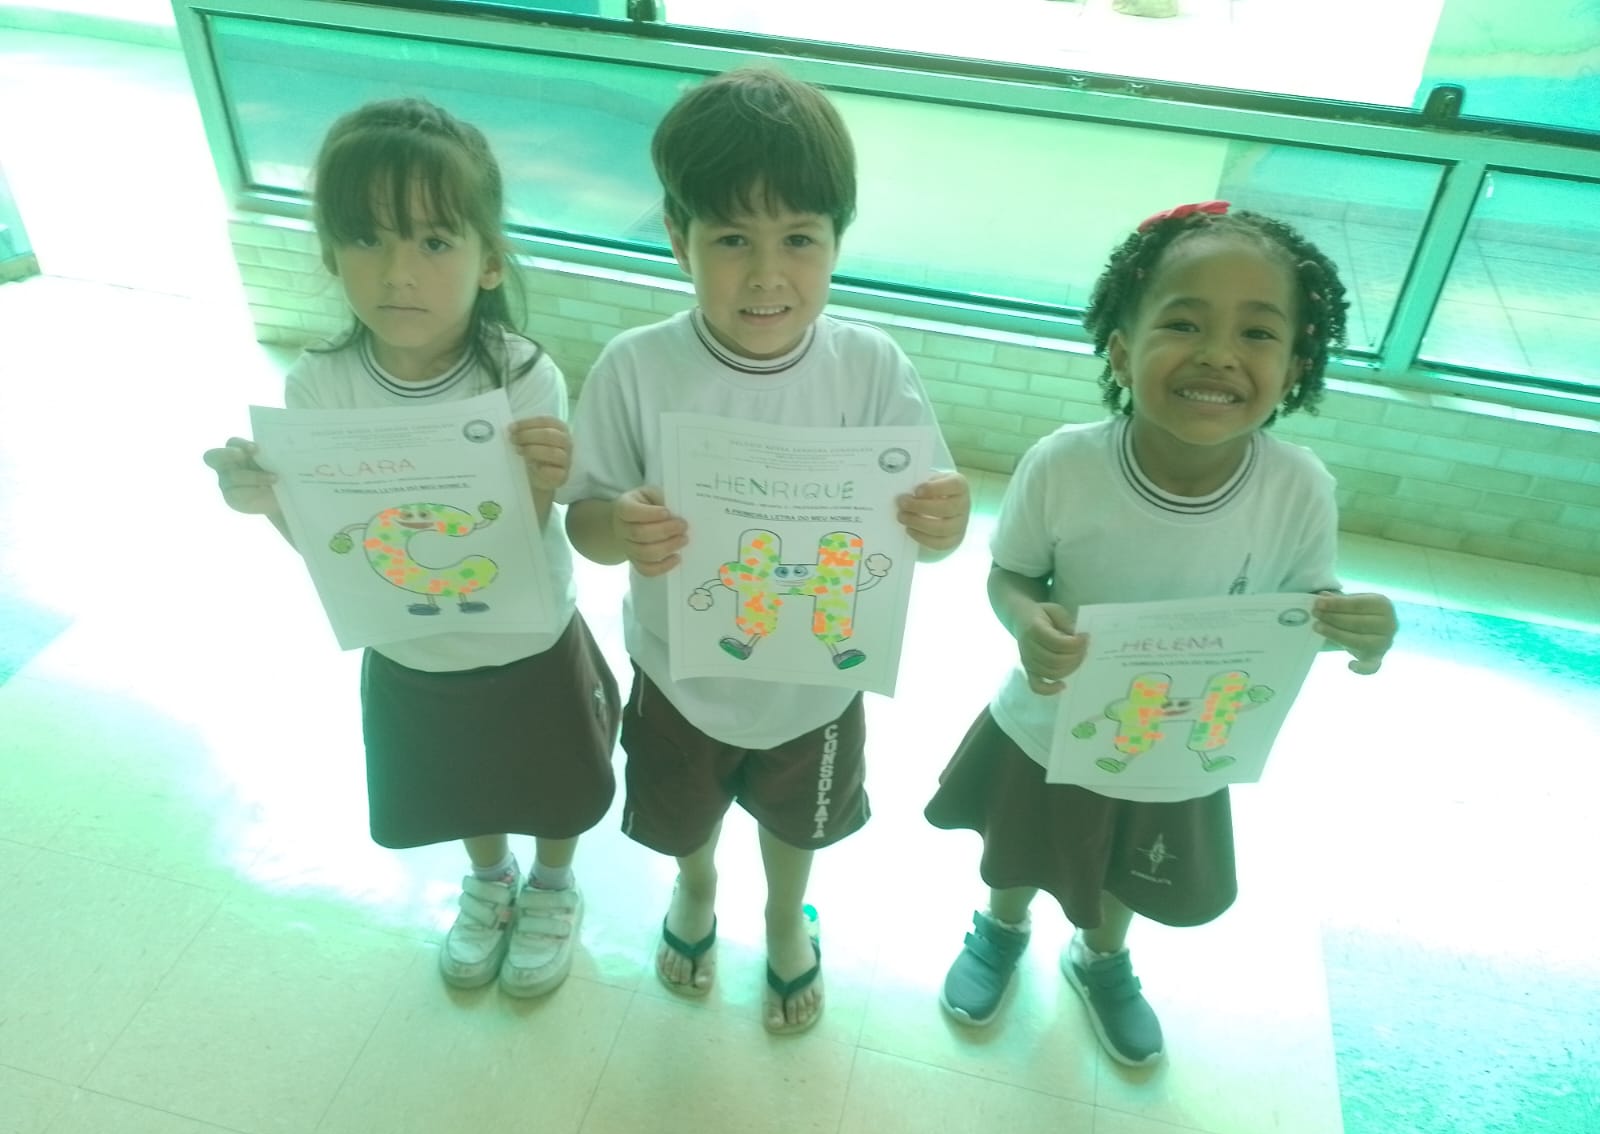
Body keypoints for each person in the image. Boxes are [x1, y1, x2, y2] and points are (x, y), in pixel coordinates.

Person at [926, 200, 1397, 1065]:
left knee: (1127, 861)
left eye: (1257, 333)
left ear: (1295, 367)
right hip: (1046, 728)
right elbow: (1010, 574)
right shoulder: (1064, 464)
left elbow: (1306, 607)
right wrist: (1028, 620)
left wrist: (1355, 628)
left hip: (1182, 746)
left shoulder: (1299, 489)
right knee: (1019, 846)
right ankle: (1001, 928)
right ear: (1120, 350)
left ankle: (1101, 956)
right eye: (1183, 323)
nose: (1217, 353)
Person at [560, 67, 970, 1034]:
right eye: (731, 239)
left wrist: (943, 525)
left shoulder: (870, 367)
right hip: (679, 674)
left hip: (816, 684)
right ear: (679, 239)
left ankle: (788, 916)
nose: (766, 275)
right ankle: (697, 888)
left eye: (799, 239)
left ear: (837, 243)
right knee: (684, 816)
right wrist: (620, 527)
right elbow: (582, 521)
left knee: (797, 820)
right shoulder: (636, 367)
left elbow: (924, 528)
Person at [202, 98, 620, 998]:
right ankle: (490, 878)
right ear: (330, 253)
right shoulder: (318, 386)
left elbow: (521, 537)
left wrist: (545, 476)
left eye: (434, 241)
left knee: (552, 779)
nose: (399, 273)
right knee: (459, 780)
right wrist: (269, 500)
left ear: (489, 260)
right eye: (366, 238)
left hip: (527, 642)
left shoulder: (523, 373)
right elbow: (335, 549)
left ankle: (553, 884)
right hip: (410, 650)